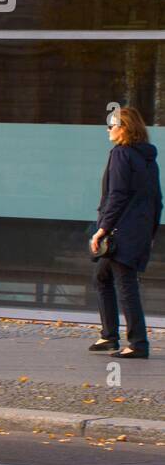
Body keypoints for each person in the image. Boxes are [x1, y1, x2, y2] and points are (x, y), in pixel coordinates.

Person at [89, 106, 160, 359]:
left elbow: (116, 196)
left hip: (120, 232)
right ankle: (109, 336)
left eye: (112, 124)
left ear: (125, 128)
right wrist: (149, 234)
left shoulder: (121, 154)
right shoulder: (147, 158)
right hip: (137, 231)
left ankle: (138, 343)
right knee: (102, 277)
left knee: (125, 285)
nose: (108, 129)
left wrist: (101, 230)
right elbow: (157, 200)